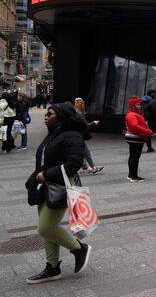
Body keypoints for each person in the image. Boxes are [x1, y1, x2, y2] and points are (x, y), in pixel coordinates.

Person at [26, 102, 92, 284]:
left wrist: (46, 174)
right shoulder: (54, 134)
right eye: (46, 113)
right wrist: (34, 179)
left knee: (46, 227)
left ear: (62, 116)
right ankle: (52, 267)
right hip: (44, 187)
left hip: (59, 188)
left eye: (50, 113)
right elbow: (44, 161)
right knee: (47, 230)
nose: (46, 116)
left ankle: (79, 248)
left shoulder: (71, 135)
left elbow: (74, 163)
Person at [124, 96, 154, 182]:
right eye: (137, 104)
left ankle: (131, 175)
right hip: (135, 138)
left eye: (139, 104)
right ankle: (133, 177)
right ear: (133, 106)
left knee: (133, 156)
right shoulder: (132, 115)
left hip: (135, 137)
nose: (139, 106)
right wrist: (147, 131)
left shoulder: (133, 114)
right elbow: (134, 126)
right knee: (135, 157)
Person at [74, 98, 104, 174]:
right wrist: (94, 123)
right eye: (83, 104)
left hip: (77, 136)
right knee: (84, 153)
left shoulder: (75, 113)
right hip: (78, 137)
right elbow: (86, 126)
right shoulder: (79, 114)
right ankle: (91, 168)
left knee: (83, 153)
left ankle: (87, 167)